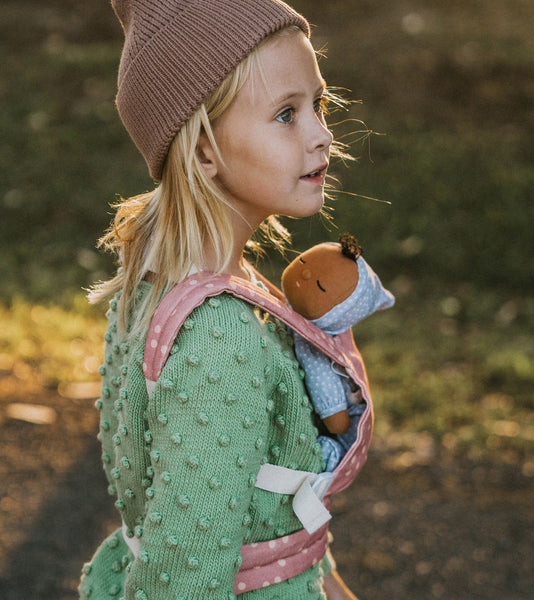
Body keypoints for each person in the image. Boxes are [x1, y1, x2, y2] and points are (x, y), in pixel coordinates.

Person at [79, 1, 370, 598]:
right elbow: (185, 573)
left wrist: (325, 580)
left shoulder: (156, 283)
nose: (322, 134)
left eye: (319, 103)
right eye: (286, 114)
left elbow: (263, 498)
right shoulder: (220, 334)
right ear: (205, 150)